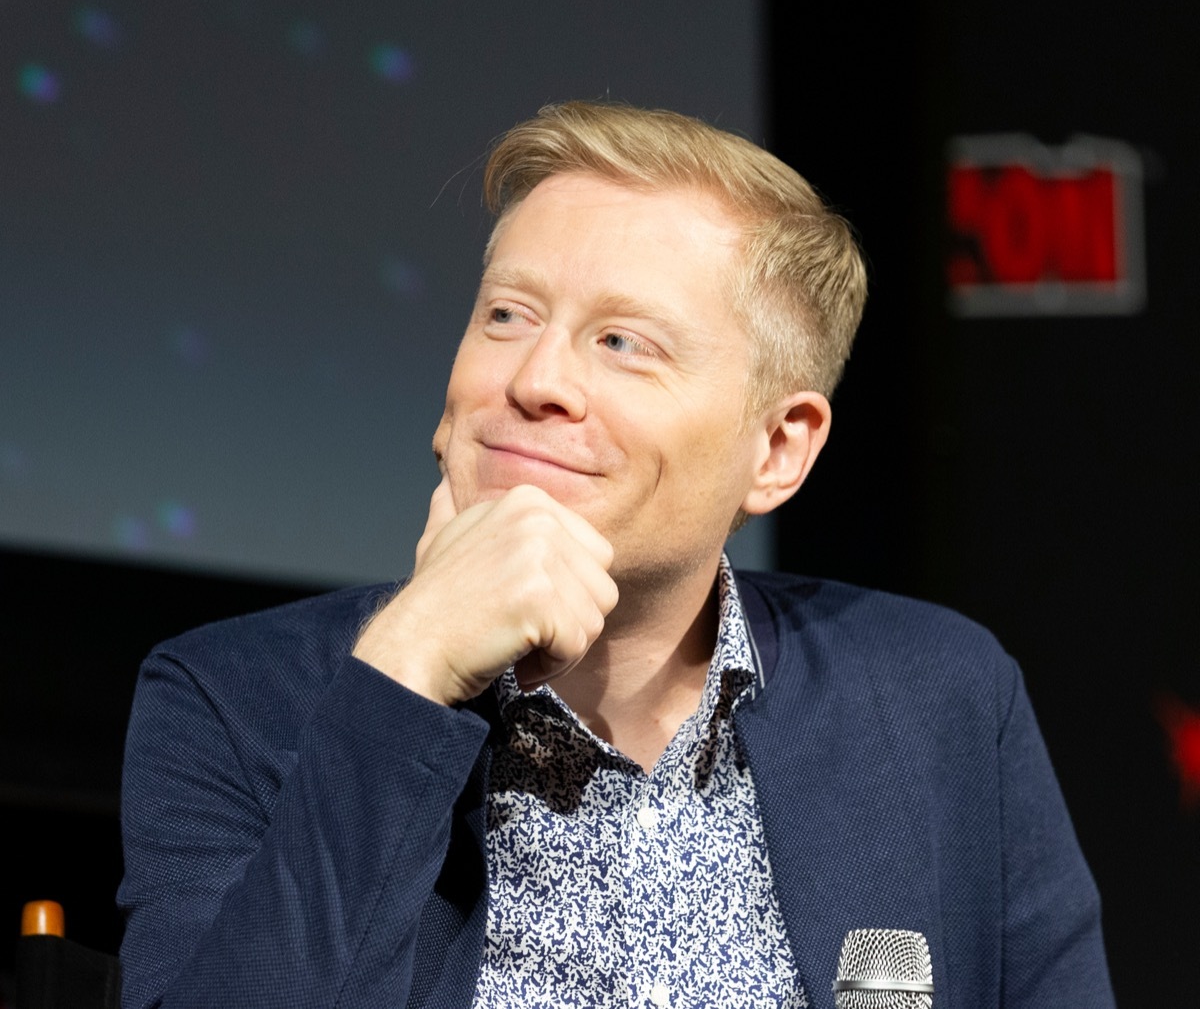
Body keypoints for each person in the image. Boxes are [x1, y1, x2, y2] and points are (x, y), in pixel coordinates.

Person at [117, 101, 1115, 1009]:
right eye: (507, 315)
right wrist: (407, 674)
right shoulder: (234, 701)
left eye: (623, 342)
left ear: (777, 449)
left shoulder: (937, 693)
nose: (535, 379)